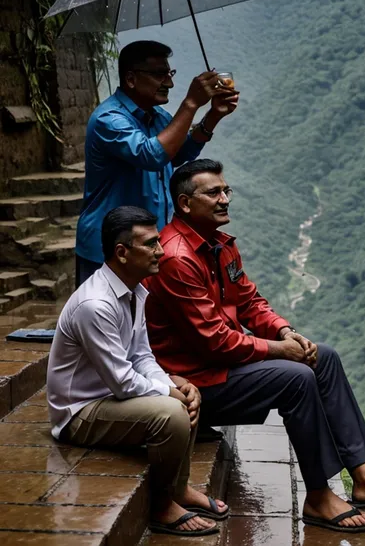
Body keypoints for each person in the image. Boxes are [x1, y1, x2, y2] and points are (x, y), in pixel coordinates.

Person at [144, 159, 365, 534]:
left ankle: (364, 476)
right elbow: (214, 341)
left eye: (226, 190)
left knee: (323, 356)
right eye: (214, 192)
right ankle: (317, 496)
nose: (225, 198)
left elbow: (249, 301)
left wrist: (284, 332)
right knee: (295, 378)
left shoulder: (220, 245)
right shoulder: (177, 258)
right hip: (197, 383)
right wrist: (280, 352)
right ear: (184, 204)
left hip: (222, 368)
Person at [47, 205, 229, 537]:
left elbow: (142, 356)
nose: (161, 250)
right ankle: (162, 507)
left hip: (110, 397)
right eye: (150, 244)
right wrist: (168, 392)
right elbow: (121, 380)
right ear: (122, 252)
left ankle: (181, 488)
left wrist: (172, 383)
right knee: (170, 412)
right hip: (79, 412)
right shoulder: (96, 306)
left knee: (186, 392)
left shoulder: (136, 291)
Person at [75, 40, 239, 287]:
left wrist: (214, 116)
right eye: (159, 74)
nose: (169, 83)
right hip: (110, 249)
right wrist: (191, 103)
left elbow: (178, 154)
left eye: (169, 73)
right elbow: (151, 155)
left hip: (148, 244)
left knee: (145, 320)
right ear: (131, 79)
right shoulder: (109, 119)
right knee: (104, 320)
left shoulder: (157, 117)